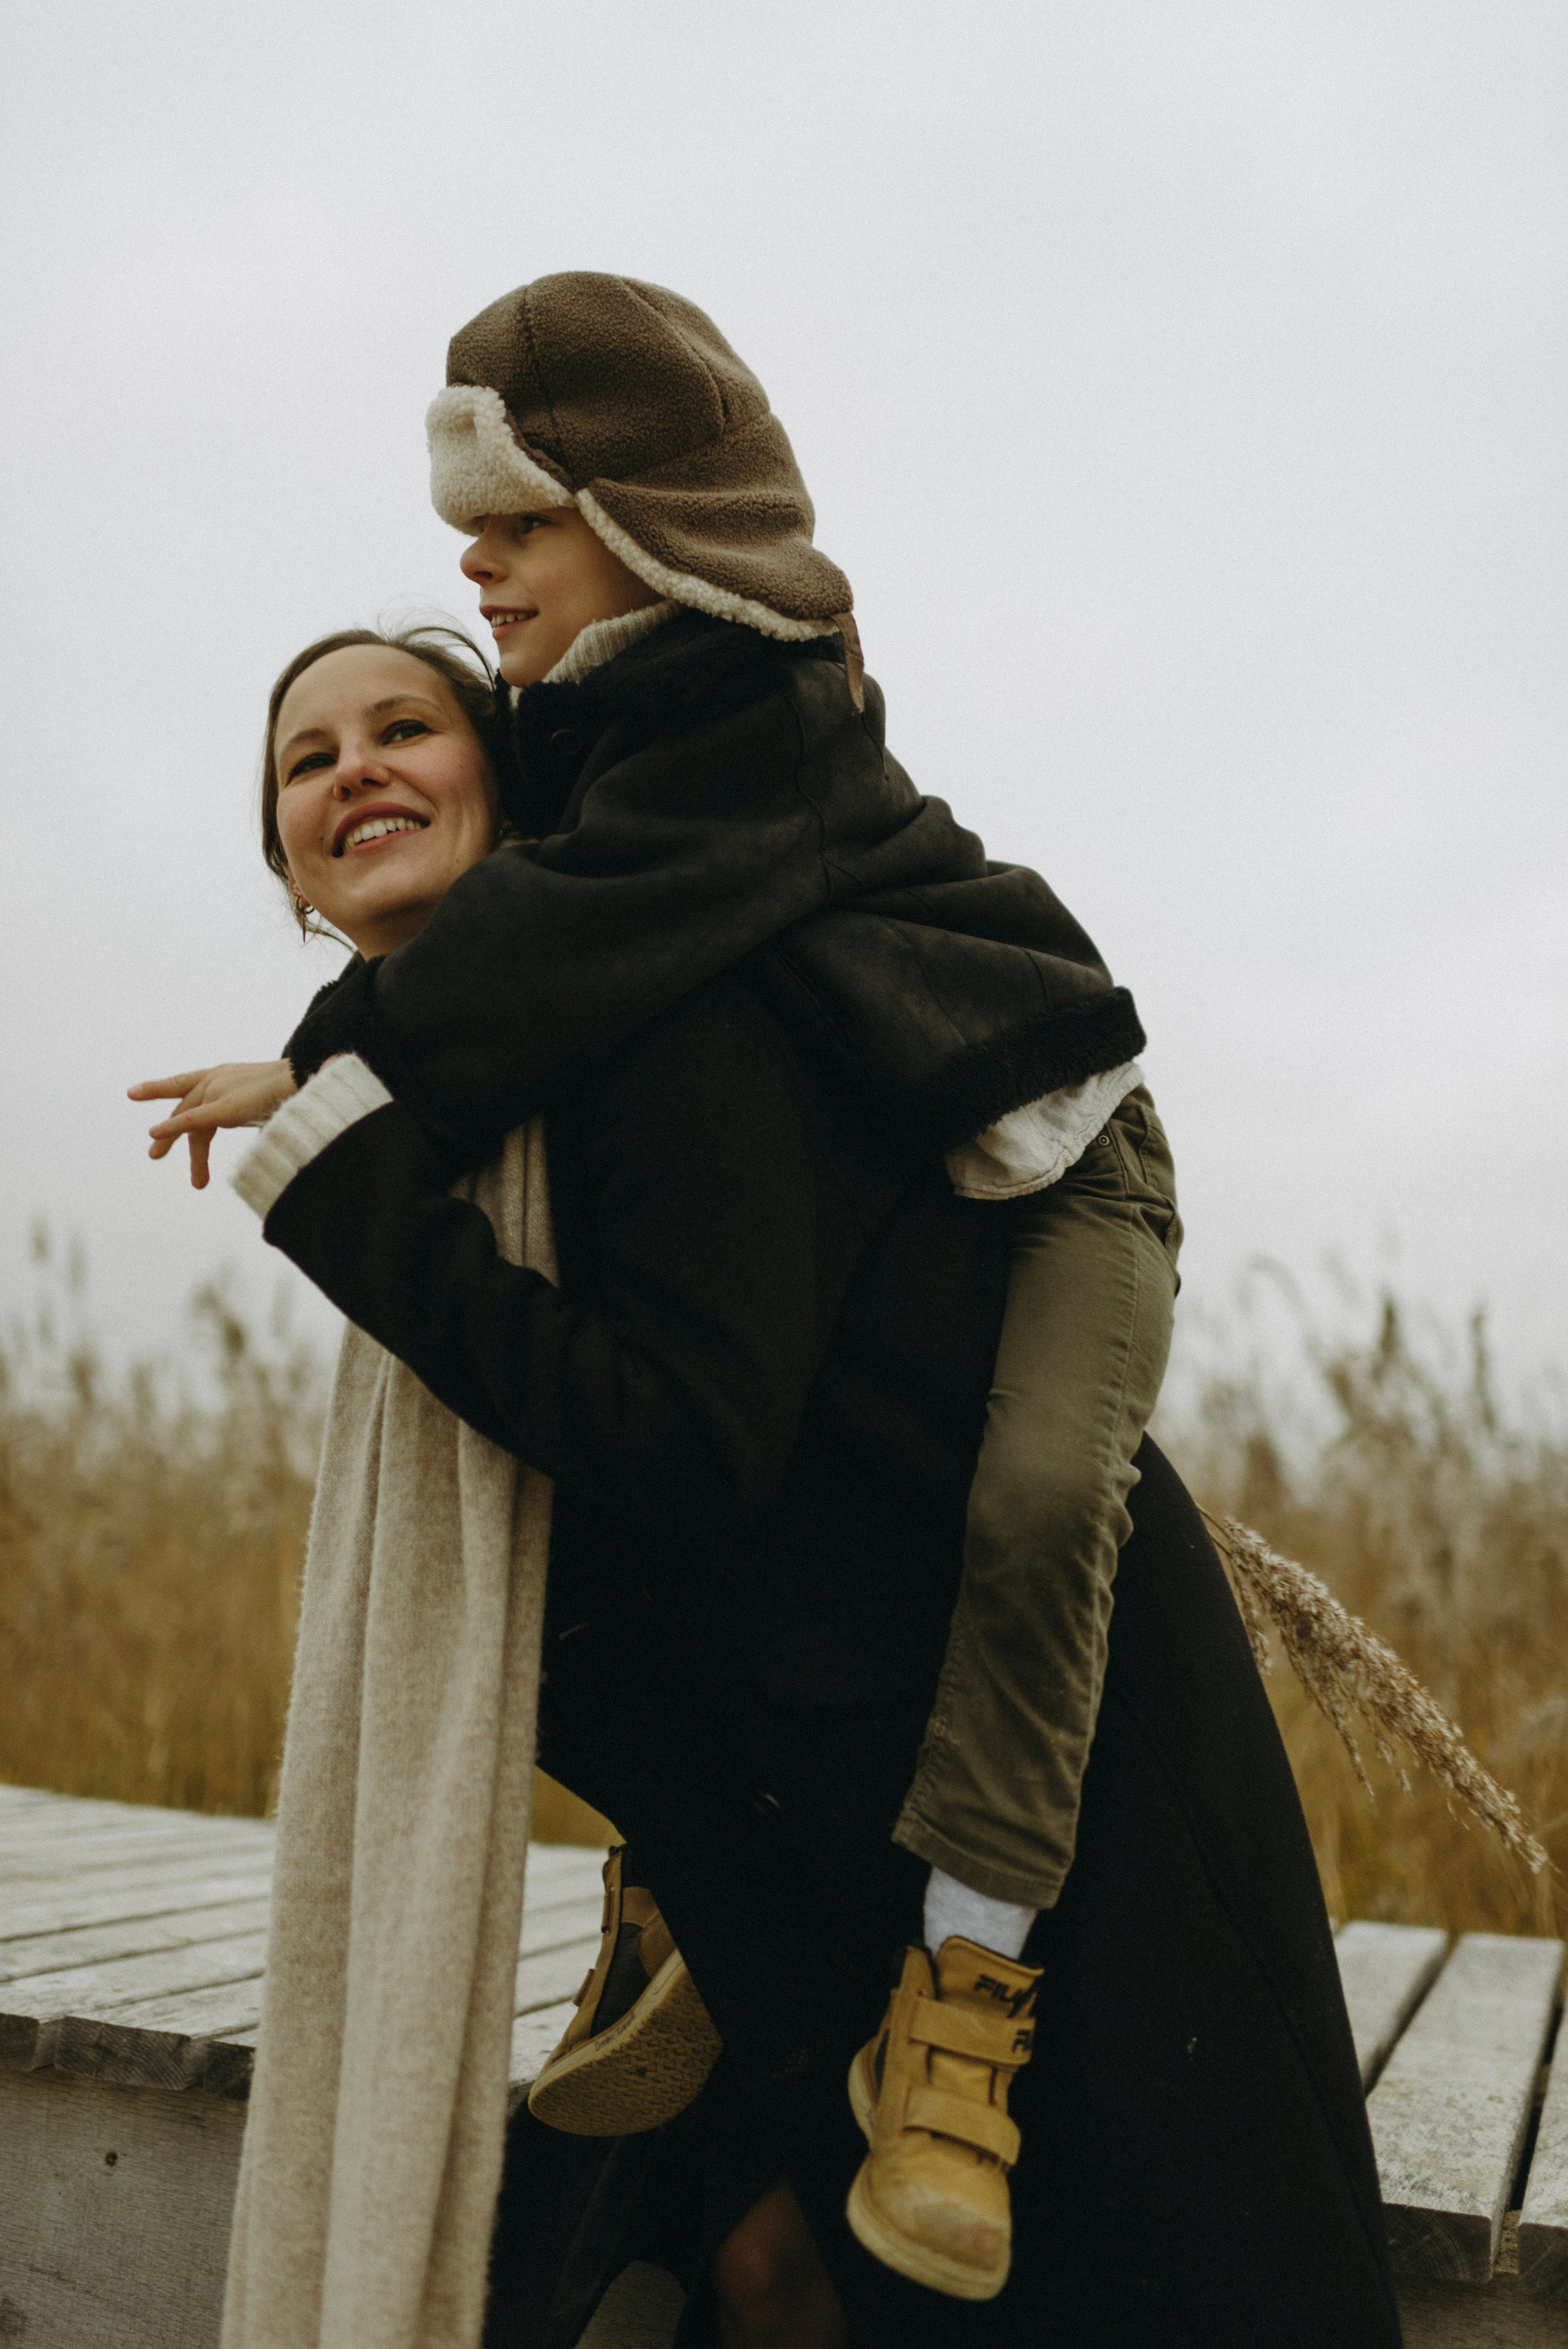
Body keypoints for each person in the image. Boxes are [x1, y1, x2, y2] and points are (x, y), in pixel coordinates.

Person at [134, 277, 1400, 2344]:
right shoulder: (546, 1001)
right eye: (306, 760)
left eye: (411, 719)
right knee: (763, 2271)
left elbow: (687, 1435)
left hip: (1023, 1677)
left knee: (1045, 1513)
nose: (478, 571)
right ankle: (681, 1934)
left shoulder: (701, 860)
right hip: (800, 1793)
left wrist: (336, 1155)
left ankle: (958, 1985)